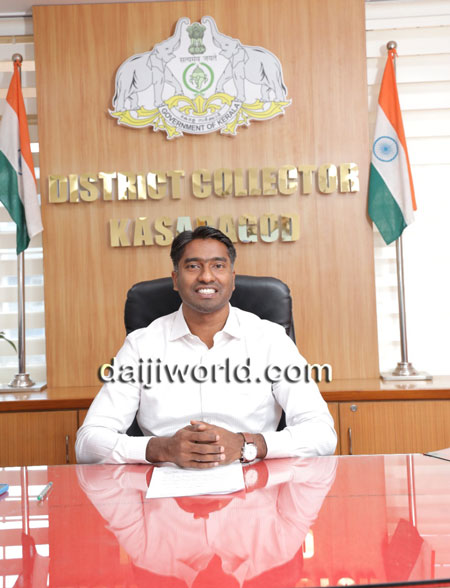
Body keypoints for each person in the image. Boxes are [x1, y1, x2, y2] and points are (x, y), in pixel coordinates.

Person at [75, 226, 336, 466]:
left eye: (218, 266)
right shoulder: (141, 346)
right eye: (193, 266)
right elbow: (88, 443)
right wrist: (162, 448)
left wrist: (247, 444)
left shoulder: (270, 340)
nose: (206, 276)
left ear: (232, 278)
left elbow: (322, 433)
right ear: (175, 279)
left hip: (252, 483)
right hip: (164, 488)